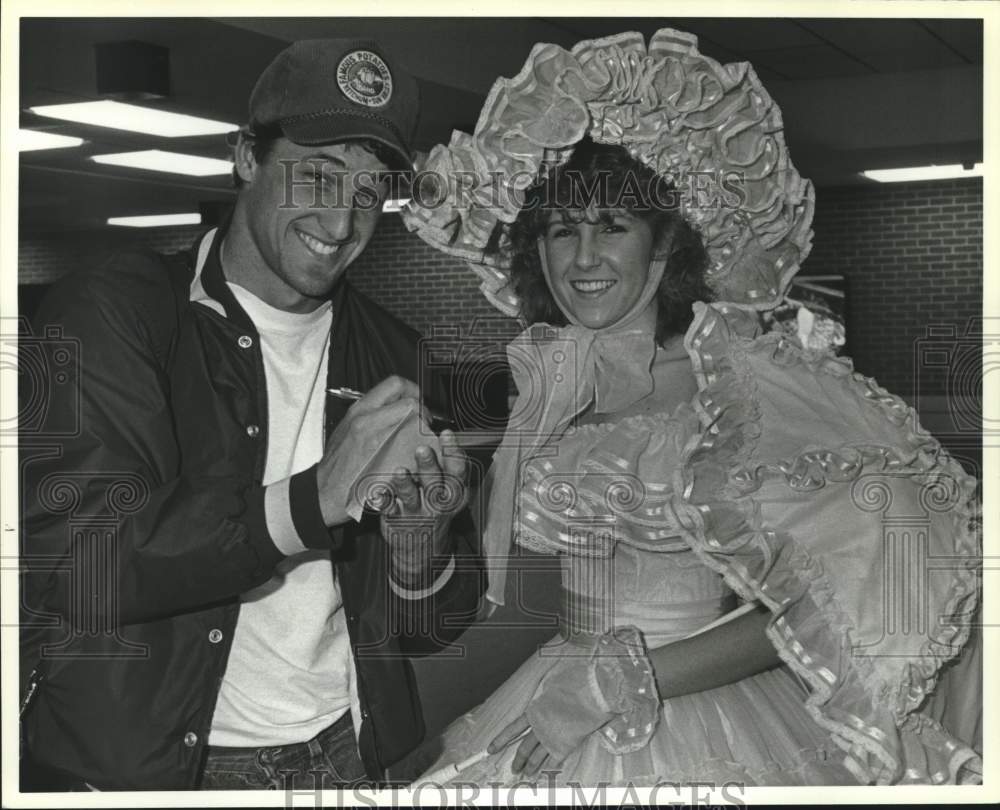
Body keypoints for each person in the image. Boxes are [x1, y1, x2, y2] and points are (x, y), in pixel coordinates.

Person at [400, 28, 982, 786]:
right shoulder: (556, 378)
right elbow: (496, 582)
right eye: (560, 231)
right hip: (555, 690)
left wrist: (623, 681)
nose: (581, 259)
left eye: (613, 227)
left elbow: (825, 597)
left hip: (699, 707)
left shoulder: (745, 377)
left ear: (666, 243)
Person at [19, 39, 483, 791]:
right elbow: (83, 564)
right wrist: (314, 498)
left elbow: (433, 627)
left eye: (369, 195)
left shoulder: (395, 353)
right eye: (319, 177)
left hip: (345, 752)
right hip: (163, 772)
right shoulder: (113, 312)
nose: (341, 224)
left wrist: (420, 549)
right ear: (244, 157)